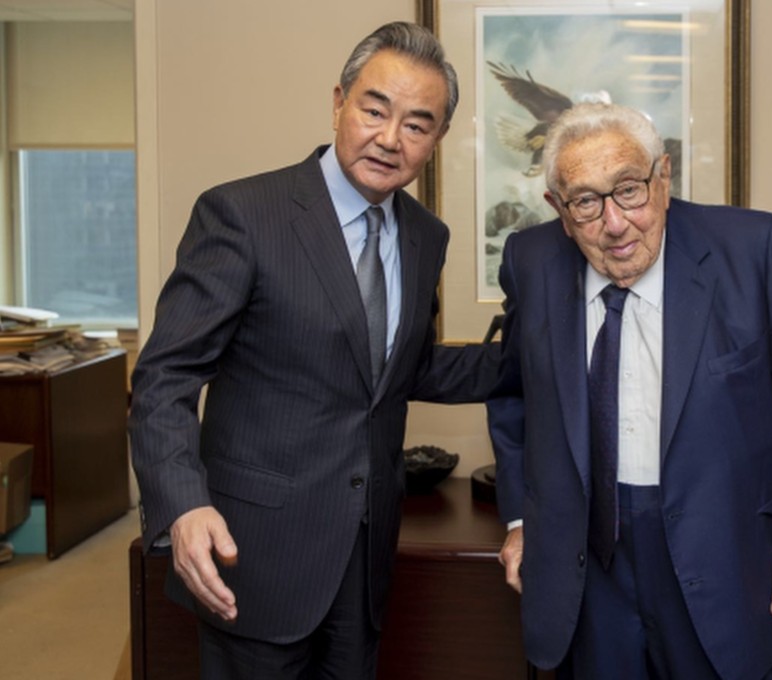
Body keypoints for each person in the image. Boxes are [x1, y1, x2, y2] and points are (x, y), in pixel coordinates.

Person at [129, 22, 497, 679]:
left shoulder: (424, 237)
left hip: (363, 562)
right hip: (256, 554)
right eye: (374, 109)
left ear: (437, 140)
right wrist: (182, 504)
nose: (389, 138)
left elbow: (397, 366)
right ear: (338, 102)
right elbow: (164, 378)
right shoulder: (245, 215)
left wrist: (548, 353)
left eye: (417, 124)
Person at [487, 102, 772, 680]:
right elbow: (513, 395)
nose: (615, 223)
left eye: (629, 189)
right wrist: (520, 519)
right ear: (559, 209)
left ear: (664, 177)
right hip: (584, 558)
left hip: (721, 551)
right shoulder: (531, 260)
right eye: (586, 202)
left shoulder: (755, 249)